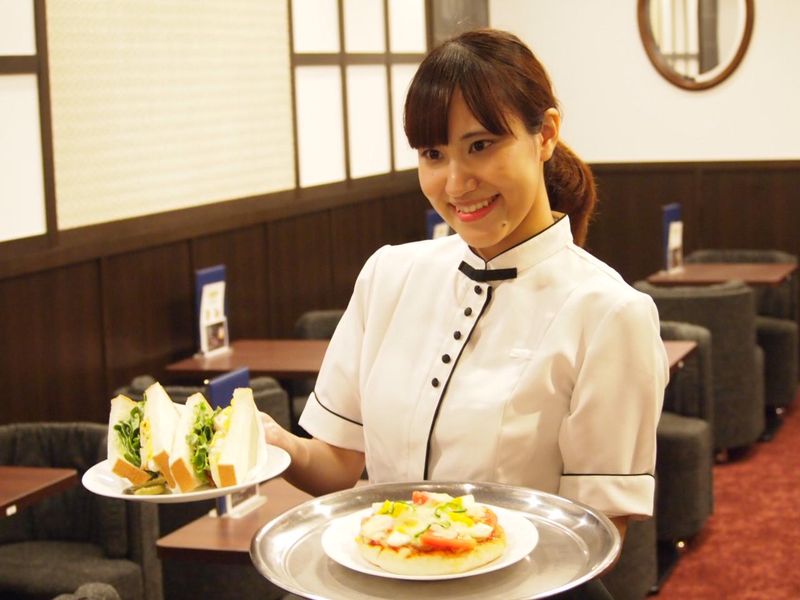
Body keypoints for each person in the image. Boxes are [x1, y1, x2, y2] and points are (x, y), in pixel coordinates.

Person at [263, 29, 667, 599]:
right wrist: (268, 444)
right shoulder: (388, 276)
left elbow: (595, 535)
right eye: (434, 154)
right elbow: (337, 464)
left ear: (546, 134)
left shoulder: (609, 313)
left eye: (481, 146)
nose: (455, 183)